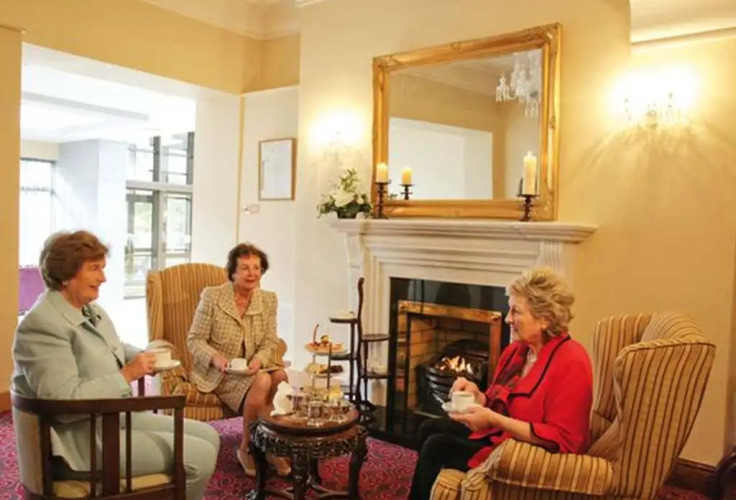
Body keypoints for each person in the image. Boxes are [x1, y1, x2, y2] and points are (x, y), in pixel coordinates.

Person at [12, 230, 220, 500]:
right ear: (65, 274)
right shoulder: (42, 325)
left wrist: (148, 356)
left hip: (108, 419)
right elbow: (62, 401)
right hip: (76, 442)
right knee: (199, 455)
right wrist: (127, 374)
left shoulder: (89, 309)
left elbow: (113, 348)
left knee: (210, 436)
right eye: (94, 268)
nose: (103, 278)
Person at [408, 267, 593, 500]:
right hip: (499, 434)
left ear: (544, 319)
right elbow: (496, 401)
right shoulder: (518, 352)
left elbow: (565, 439)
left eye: (516, 312)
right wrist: (477, 396)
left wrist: (494, 419)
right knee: (427, 428)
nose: (507, 319)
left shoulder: (572, 361)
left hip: (523, 450)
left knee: (437, 447)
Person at [187, 242, 290, 477]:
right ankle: (248, 448)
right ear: (233, 272)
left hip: (253, 367)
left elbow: (270, 341)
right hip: (220, 371)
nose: (252, 273)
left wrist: (260, 360)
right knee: (263, 381)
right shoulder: (212, 296)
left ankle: (270, 445)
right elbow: (195, 339)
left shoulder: (269, 300)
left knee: (281, 376)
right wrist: (215, 358)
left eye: (256, 268)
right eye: (245, 268)